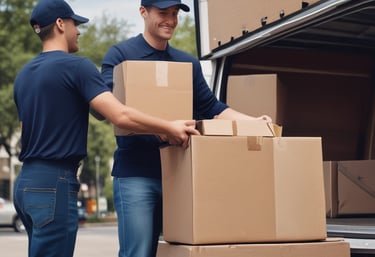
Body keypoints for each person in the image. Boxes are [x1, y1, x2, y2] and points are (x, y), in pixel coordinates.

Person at [12, 1, 199, 257]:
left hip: (25, 183)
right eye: (75, 24)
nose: (78, 31)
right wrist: (168, 126)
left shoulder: (24, 75)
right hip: (55, 182)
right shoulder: (77, 67)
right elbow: (118, 115)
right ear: (59, 24)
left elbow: (25, 129)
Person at [101, 1, 272, 257]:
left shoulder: (186, 63)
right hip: (136, 174)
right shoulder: (120, 56)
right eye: (163, 13)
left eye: (174, 14)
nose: (170, 20)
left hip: (180, 174)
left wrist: (253, 123)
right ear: (143, 12)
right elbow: (111, 110)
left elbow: (213, 107)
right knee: (138, 253)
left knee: (183, 251)